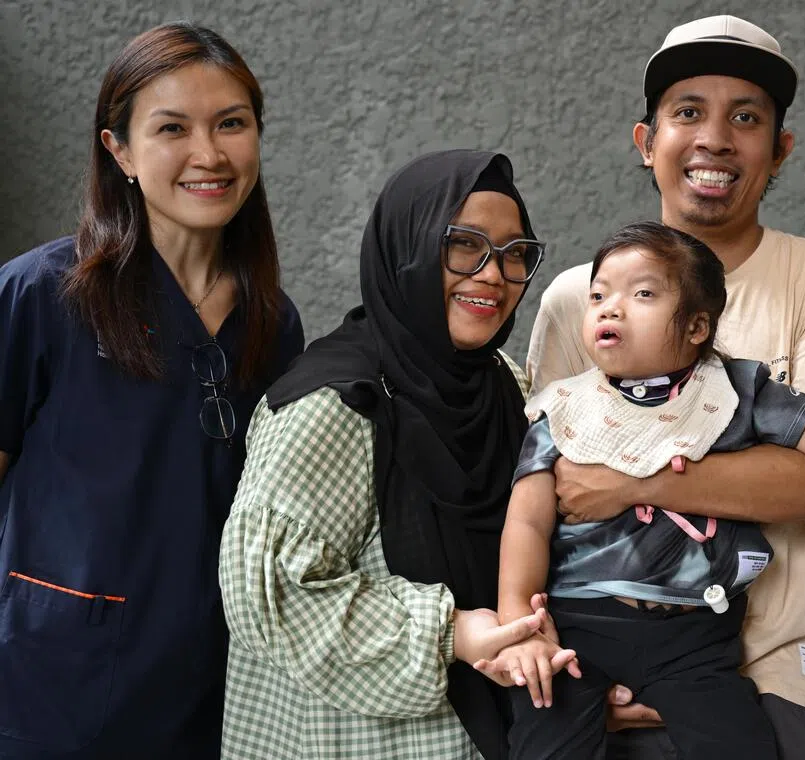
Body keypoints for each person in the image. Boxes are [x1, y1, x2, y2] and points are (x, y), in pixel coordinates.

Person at [527, 15, 805, 758]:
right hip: (598, 658)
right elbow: (549, 489)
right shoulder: (579, 299)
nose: (716, 139)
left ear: (780, 149)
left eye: (747, 118)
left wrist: (636, 482)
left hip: (778, 668)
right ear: (647, 142)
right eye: (689, 112)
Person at [485, 221, 805, 758]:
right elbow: (527, 520)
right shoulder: (565, 406)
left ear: (697, 325)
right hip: (578, 625)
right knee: (543, 744)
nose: (611, 309)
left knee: (740, 746)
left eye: (642, 295)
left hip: (694, 636)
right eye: (598, 296)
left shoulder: (737, 391)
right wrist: (521, 625)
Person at [0, 22, 304, 759]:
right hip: (49, 694)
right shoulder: (42, 294)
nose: (209, 154)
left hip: (213, 696)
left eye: (231, 123)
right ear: (120, 151)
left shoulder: (272, 323)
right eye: (172, 128)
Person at [219, 150, 577, 760]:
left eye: (514, 253)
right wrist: (451, 632)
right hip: (353, 741)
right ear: (406, 249)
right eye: (464, 245)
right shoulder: (335, 404)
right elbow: (270, 595)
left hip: (496, 730)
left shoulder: (504, 386)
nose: (493, 274)